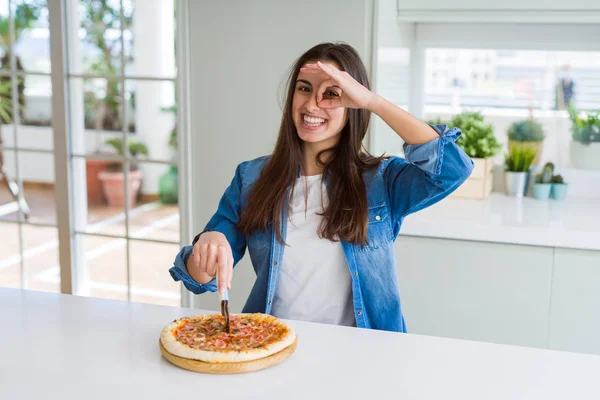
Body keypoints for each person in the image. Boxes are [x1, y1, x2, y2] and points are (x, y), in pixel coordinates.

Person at [169, 42, 473, 332]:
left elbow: (452, 169)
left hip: (364, 353)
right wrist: (209, 242)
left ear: (353, 103)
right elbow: (198, 278)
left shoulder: (383, 180)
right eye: (304, 89)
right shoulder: (251, 177)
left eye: (331, 94)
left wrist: (372, 102)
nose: (312, 103)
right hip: (273, 343)